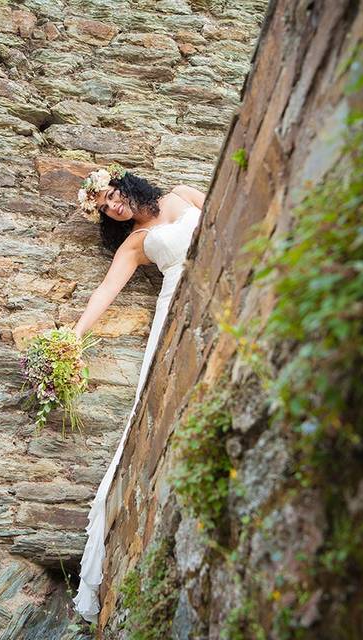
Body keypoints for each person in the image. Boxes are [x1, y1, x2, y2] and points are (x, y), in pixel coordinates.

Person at [70, 163, 205, 622]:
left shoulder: (183, 194)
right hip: (176, 300)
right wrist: (72, 336)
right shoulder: (134, 244)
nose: (112, 206)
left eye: (111, 196)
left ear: (126, 186)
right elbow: (105, 291)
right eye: (105, 207)